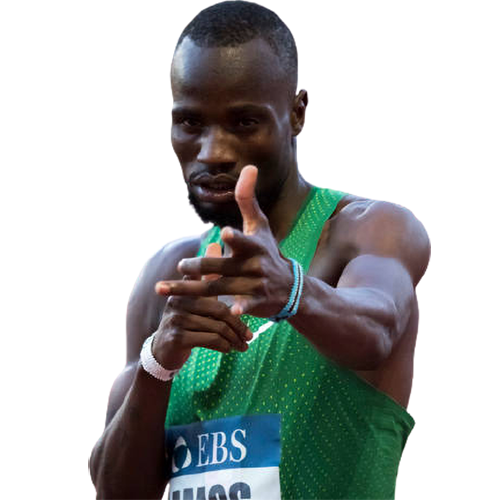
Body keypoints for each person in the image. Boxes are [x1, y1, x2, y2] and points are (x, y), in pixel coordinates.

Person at [90, 3, 430, 499]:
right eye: (190, 123)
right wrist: (158, 363)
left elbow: (377, 329)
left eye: (244, 122)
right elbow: (113, 491)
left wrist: (292, 291)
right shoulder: (168, 278)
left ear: (296, 113)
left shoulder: (366, 230)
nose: (213, 152)